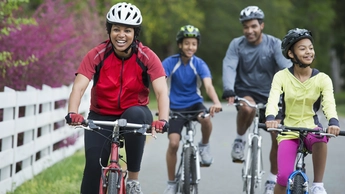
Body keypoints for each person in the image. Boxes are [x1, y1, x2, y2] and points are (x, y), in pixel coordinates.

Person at [64, 2, 169, 194]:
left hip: (135, 113)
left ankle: (133, 181)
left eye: (127, 30)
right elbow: (79, 87)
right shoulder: (97, 54)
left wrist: (162, 120)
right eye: (116, 29)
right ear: (109, 31)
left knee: (135, 115)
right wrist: (73, 113)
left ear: (135, 33)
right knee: (93, 169)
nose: (121, 35)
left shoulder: (147, 56)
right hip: (100, 115)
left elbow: (161, 91)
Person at [222, 5, 292, 193]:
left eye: (253, 26)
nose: (249, 31)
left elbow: (286, 68)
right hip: (246, 92)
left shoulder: (274, 44)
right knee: (247, 108)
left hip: (271, 97)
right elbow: (229, 66)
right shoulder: (237, 45)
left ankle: (271, 180)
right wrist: (228, 88)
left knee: (278, 137)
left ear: (262, 25)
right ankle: (240, 139)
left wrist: (292, 89)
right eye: (246, 27)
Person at [265, 28, 340, 194]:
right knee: (283, 179)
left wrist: (333, 122)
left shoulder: (322, 79)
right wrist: (270, 117)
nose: (309, 52)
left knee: (321, 137)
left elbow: (328, 103)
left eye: (311, 48)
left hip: (311, 128)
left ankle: (318, 185)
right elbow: (273, 99)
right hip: (288, 131)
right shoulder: (281, 76)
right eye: (302, 48)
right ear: (291, 54)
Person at [162, 25, 222, 194]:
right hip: (175, 107)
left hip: (195, 104)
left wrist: (216, 102)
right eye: (187, 43)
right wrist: (164, 107)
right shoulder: (169, 63)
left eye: (194, 44)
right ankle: (171, 182)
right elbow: (162, 85)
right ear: (180, 45)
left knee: (206, 119)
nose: (190, 47)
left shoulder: (199, 64)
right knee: (173, 143)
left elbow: (208, 86)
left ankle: (204, 145)